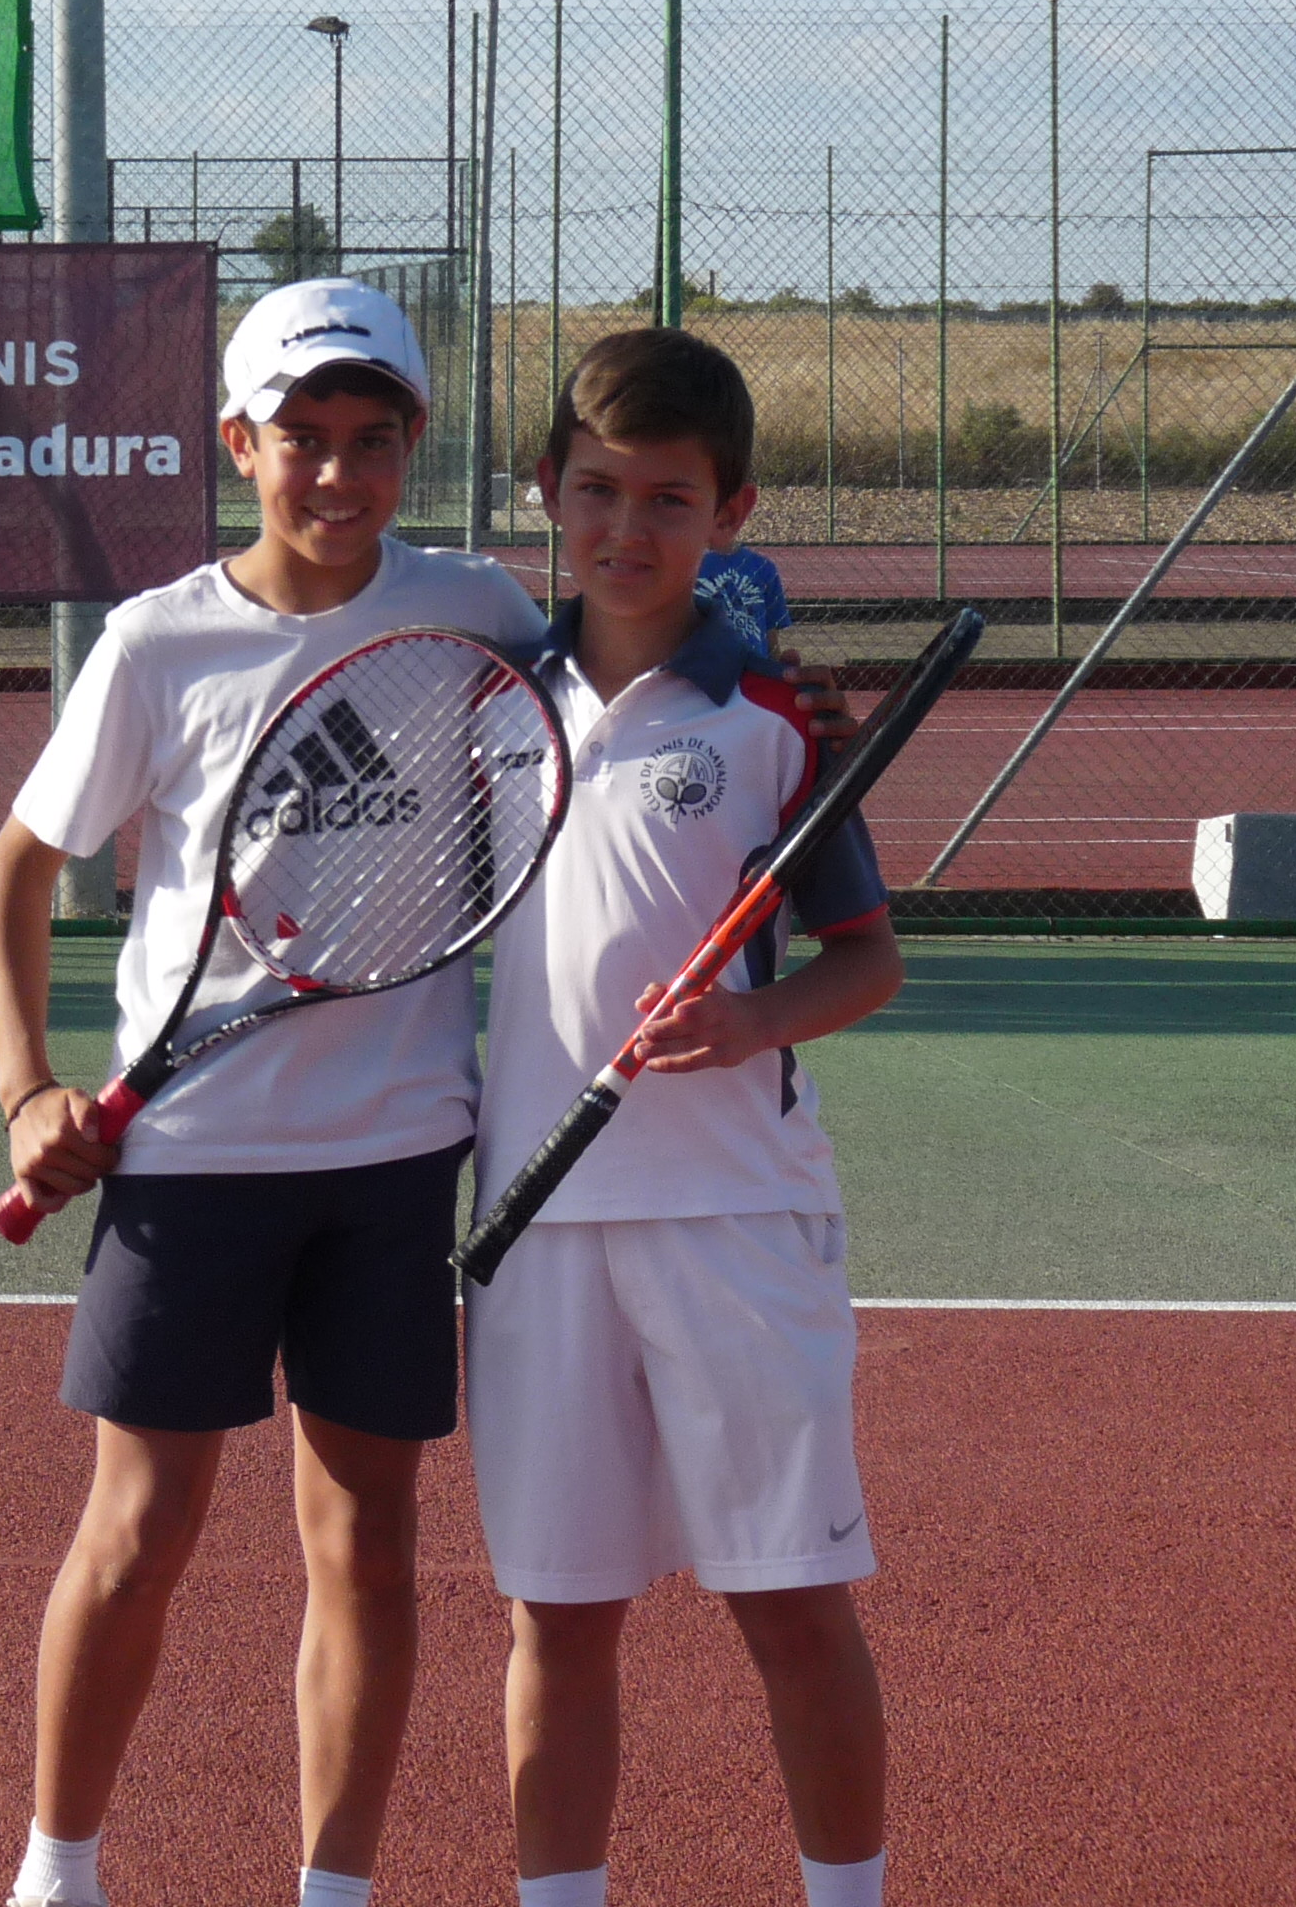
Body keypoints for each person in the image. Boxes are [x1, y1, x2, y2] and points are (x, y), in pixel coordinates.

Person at [0, 276, 548, 1907]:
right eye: (302, 438)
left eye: (372, 438)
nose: (337, 473)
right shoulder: (159, 644)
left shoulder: (480, 613)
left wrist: (754, 663)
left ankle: (332, 1890)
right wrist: (27, 1090)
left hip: (393, 1163)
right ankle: (58, 1872)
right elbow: (18, 870)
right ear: (239, 443)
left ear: (413, 443)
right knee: (137, 1531)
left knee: (366, 1544)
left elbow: (615, 706)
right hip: (191, 1159)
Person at [468, 328, 906, 1907]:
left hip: (736, 1219)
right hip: (534, 1225)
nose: (627, 529)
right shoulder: (483, 701)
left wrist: (749, 1023)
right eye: (597, 491)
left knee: (791, 1604)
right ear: (547, 492)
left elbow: (866, 962)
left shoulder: (779, 721)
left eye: (669, 498)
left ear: (731, 512)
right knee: (558, 1617)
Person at [694, 532, 791, 661]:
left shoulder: (763, 567)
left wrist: (774, 667)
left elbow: (771, 634)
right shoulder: (687, 568)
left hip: (751, 666)